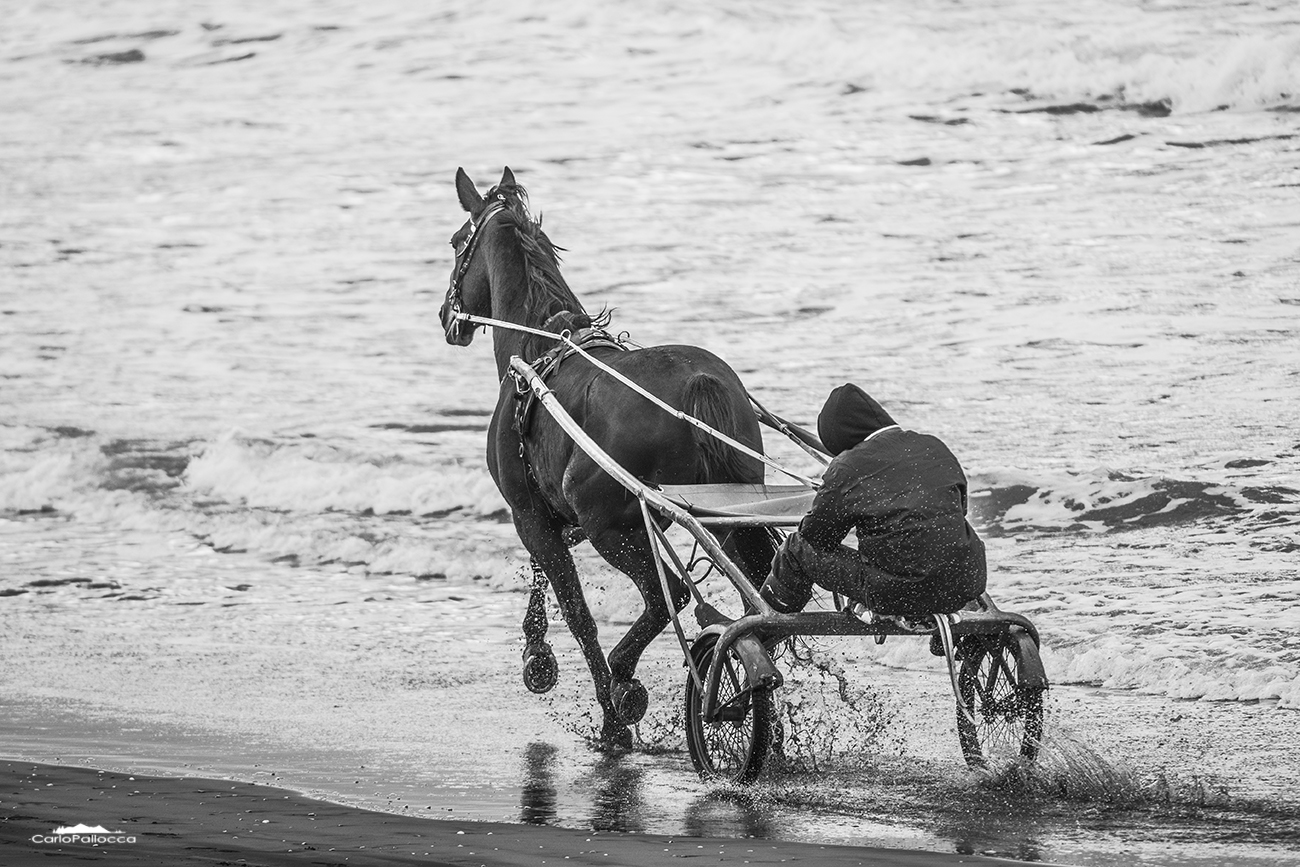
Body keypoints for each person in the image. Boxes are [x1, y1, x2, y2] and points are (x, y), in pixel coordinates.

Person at [760, 383, 987, 617]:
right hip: (968, 580)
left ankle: (763, 624)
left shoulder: (848, 466)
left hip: (898, 593)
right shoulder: (933, 445)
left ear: (839, 440)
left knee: (797, 548)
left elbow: (817, 537)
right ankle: (970, 641)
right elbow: (960, 509)